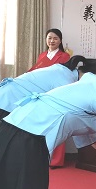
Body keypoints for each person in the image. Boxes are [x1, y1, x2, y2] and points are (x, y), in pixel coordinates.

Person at [0, 56, 96, 179]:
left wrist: (93, 138)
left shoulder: (62, 71)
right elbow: (75, 114)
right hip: (4, 108)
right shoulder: (66, 81)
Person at [29, 28, 71, 167]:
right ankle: (41, 157)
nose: (52, 41)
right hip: (42, 93)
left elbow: (64, 76)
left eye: (55, 38)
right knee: (42, 124)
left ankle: (56, 160)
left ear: (60, 41)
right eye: (49, 38)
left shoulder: (64, 57)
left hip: (57, 93)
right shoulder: (42, 56)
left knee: (57, 126)